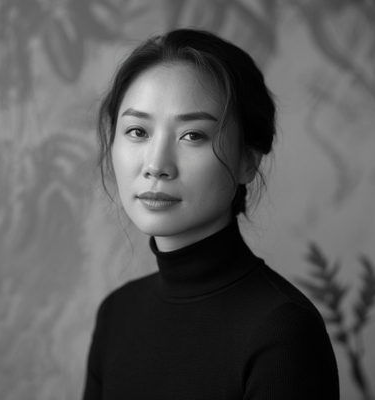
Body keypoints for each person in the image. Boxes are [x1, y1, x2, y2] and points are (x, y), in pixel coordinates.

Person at [82, 29, 339, 399]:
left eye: (193, 135)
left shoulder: (282, 332)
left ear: (248, 160)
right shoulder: (116, 315)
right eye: (137, 131)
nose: (156, 165)